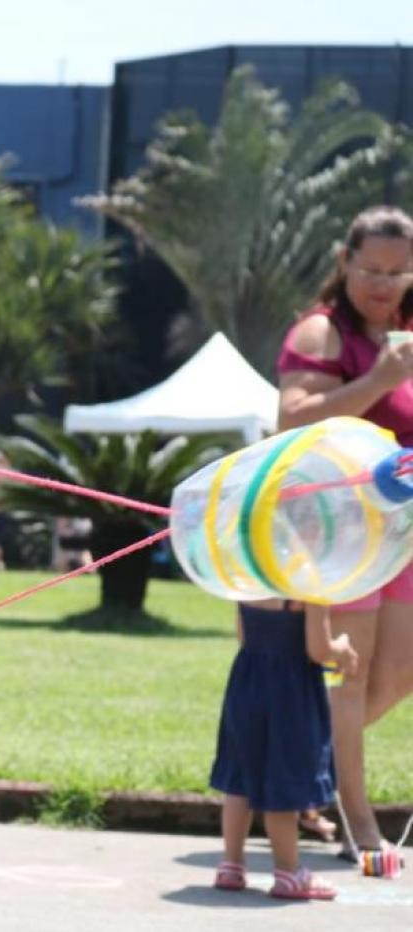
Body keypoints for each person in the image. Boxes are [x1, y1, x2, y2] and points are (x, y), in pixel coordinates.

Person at [276, 205, 413, 867]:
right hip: (341, 527)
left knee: (400, 670)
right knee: (348, 678)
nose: (383, 284)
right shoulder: (322, 332)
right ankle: (357, 819)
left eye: (397, 271)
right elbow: (291, 423)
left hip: (405, 530)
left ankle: (300, 772)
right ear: (345, 262)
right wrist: (377, 382)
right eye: (371, 269)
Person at [210, 598, 356, 899]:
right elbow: (318, 650)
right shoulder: (308, 588)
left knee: (240, 777)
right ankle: (289, 873)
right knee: (284, 778)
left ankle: (231, 865)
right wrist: (342, 648)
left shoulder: (249, 579)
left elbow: (243, 636)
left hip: (247, 684)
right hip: (292, 693)